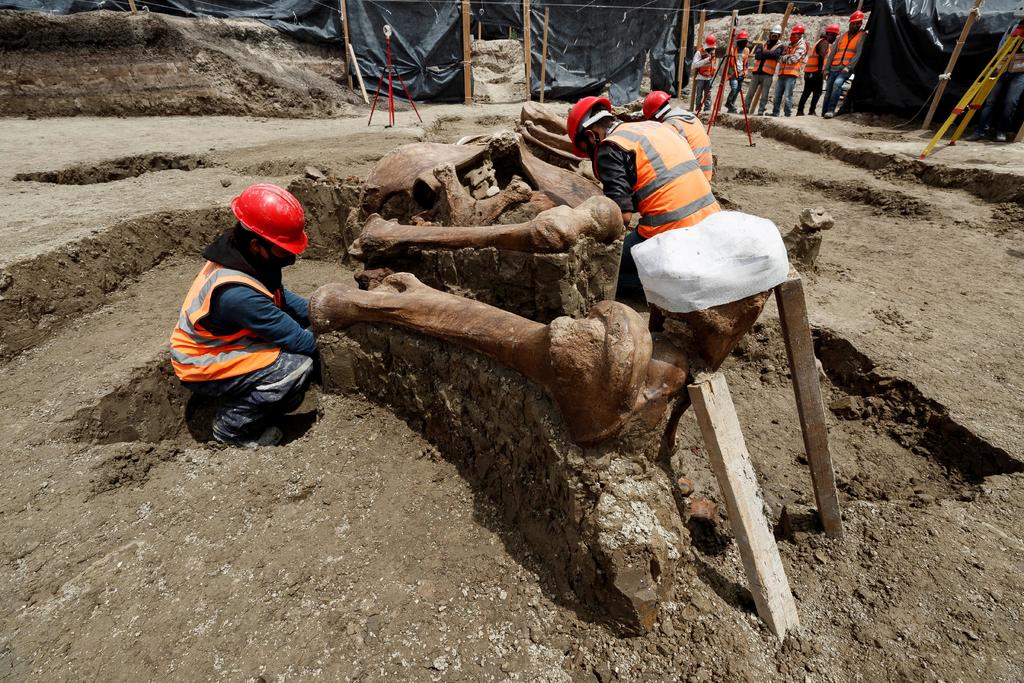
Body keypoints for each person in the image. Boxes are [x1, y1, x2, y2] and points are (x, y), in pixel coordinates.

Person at [170, 183, 317, 447]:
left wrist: (319, 311)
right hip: (201, 362)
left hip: (219, 344)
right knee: (296, 369)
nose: (292, 255)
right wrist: (338, 338)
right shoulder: (238, 295)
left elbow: (278, 295)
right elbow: (299, 341)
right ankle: (232, 430)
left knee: (293, 380)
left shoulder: (241, 252)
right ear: (257, 244)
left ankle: (248, 396)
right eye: (285, 249)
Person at [566, 97, 721, 299]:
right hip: (710, 219)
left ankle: (673, 290)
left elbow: (623, 216)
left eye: (586, 149)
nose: (590, 155)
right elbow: (656, 181)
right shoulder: (653, 127)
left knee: (604, 273)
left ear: (591, 135)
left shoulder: (609, 147)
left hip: (672, 230)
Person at [966, 18, 1024, 142]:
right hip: (1001, 67)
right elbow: (1002, 44)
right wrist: (997, 64)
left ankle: (1001, 131)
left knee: (1010, 102)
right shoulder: (1014, 25)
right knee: (990, 101)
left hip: (1020, 72)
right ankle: (980, 130)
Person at [642, 90, 715, 181]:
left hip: (694, 179)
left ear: (655, 116)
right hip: (706, 175)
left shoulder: (670, 126)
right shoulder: (691, 118)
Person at [822, 10, 867, 118]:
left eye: (858, 23)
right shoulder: (841, 37)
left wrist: (849, 67)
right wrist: (826, 69)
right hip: (833, 67)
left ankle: (831, 110)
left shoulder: (862, 36)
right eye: (854, 23)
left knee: (837, 84)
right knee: (828, 90)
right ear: (850, 23)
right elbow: (832, 54)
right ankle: (824, 112)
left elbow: (858, 53)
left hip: (845, 69)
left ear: (861, 23)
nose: (856, 25)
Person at [798, 24, 838, 116]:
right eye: (834, 36)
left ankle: (800, 111)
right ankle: (811, 111)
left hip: (809, 71)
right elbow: (822, 55)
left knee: (807, 92)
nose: (835, 38)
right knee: (817, 92)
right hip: (815, 71)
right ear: (830, 34)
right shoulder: (824, 42)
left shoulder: (820, 41)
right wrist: (821, 70)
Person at [769, 24, 807, 117]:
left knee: (787, 97)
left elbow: (793, 59)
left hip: (791, 74)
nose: (792, 36)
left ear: (800, 35)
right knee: (777, 95)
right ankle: (775, 113)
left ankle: (787, 114)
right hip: (782, 73)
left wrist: (784, 57)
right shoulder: (790, 45)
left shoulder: (802, 46)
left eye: (795, 34)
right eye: (792, 34)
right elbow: (779, 58)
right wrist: (786, 57)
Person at [747, 25, 784, 116]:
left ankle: (760, 110)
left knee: (764, 95)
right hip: (756, 73)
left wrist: (765, 52)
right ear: (770, 34)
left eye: (776, 35)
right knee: (750, 93)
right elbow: (757, 56)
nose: (774, 36)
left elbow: (775, 56)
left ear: (779, 36)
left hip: (767, 74)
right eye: (772, 34)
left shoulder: (780, 46)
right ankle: (745, 109)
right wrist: (769, 54)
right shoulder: (763, 44)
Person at [725, 30, 752, 114]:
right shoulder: (732, 50)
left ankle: (731, 106)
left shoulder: (746, 50)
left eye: (745, 41)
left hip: (741, 73)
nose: (744, 43)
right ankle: (728, 103)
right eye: (742, 41)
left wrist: (745, 72)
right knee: (734, 88)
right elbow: (729, 64)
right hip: (733, 73)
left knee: (737, 90)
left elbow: (746, 63)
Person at [692, 35, 718, 114]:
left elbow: (713, 64)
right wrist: (706, 60)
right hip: (701, 77)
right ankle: (698, 109)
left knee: (708, 95)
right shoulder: (699, 52)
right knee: (699, 95)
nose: (712, 49)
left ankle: (707, 111)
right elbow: (694, 65)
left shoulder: (713, 52)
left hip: (709, 77)